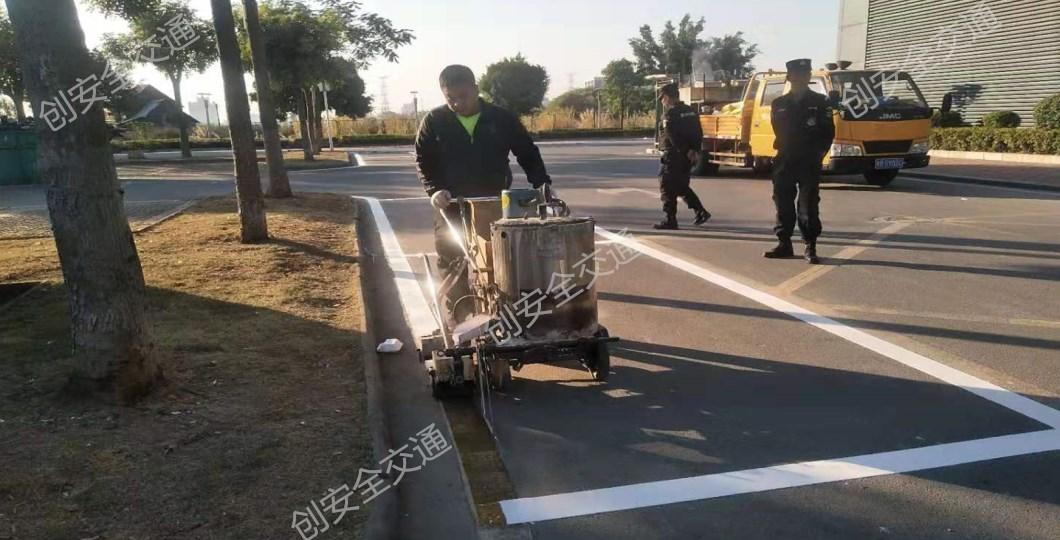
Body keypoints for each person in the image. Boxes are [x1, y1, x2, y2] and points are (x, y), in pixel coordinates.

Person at [415, 64, 552, 325]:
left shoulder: (501, 119)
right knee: (452, 258)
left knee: (500, 257)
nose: (458, 103)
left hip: (493, 200)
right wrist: (434, 189)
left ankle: (505, 310)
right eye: (451, 98)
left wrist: (542, 183)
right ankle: (461, 316)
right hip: (451, 202)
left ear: (476, 89)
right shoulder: (435, 121)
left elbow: (527, 152)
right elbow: (423, 159)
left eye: (463, 96)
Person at [765, 58, 835, 264]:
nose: (802, 77)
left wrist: (818, 154)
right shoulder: (779, 104)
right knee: (782, 203)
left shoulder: (821, 102)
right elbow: (778, 130)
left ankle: (810, 245)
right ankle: (784, 243)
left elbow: (828, 132)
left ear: (808, 77)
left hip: (808, 160)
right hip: (785, 159)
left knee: (808, 205)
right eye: (797, 74)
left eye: (805, 74)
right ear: (789, 77)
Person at [655, 83, 711, 230]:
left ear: (667, 97)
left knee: (666, 185)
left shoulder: (670, 114)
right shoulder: (691, 111)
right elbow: (698, 132)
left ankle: (670, 219)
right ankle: (700, 211)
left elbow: (673, 136)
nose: (662, 101)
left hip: (673, 155)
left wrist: (685, 150)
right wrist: (694, 150)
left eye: (662, 98)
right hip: (688, 156)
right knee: (681, 185)